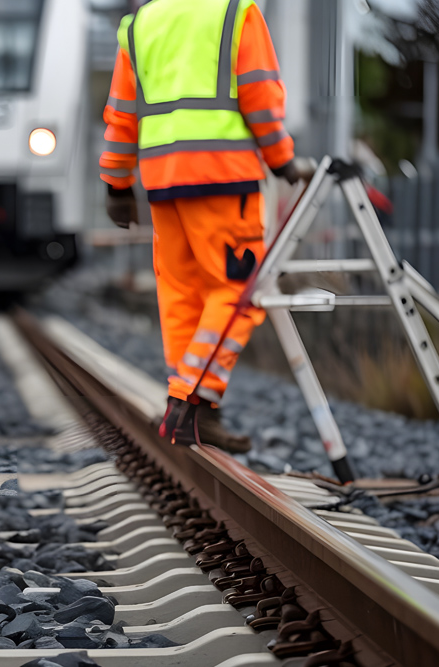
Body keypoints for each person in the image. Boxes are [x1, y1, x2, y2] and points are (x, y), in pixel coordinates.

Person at [99, 0, 302, 452]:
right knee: (239, 292)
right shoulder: (235, 13)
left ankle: (201, 415)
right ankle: (187, 398)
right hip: (223, 177)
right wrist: (282, 161)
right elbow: (260, 97)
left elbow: (120, 113)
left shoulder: (140, 23)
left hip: (162, 183)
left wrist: (115, 183)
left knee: (182, 296)